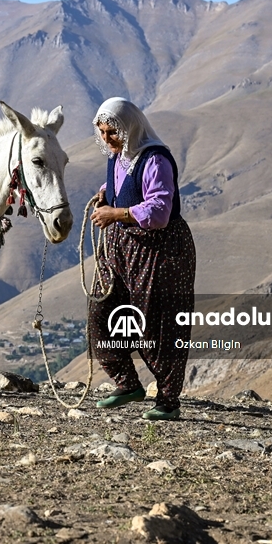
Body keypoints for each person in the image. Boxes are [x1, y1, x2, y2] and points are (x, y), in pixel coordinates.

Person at [88, 97, 196, 420]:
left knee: (157, 324)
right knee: (101, 312)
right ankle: (127, 382)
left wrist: (116, 212)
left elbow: (160, 211)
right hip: (121, 245)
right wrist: (107, 193)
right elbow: (125, 182)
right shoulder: (118, 156)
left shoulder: (156, 160)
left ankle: (167, 399)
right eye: (102, 133)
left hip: (160, 250)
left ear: (129, 128)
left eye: (112, 133)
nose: (107, 140)